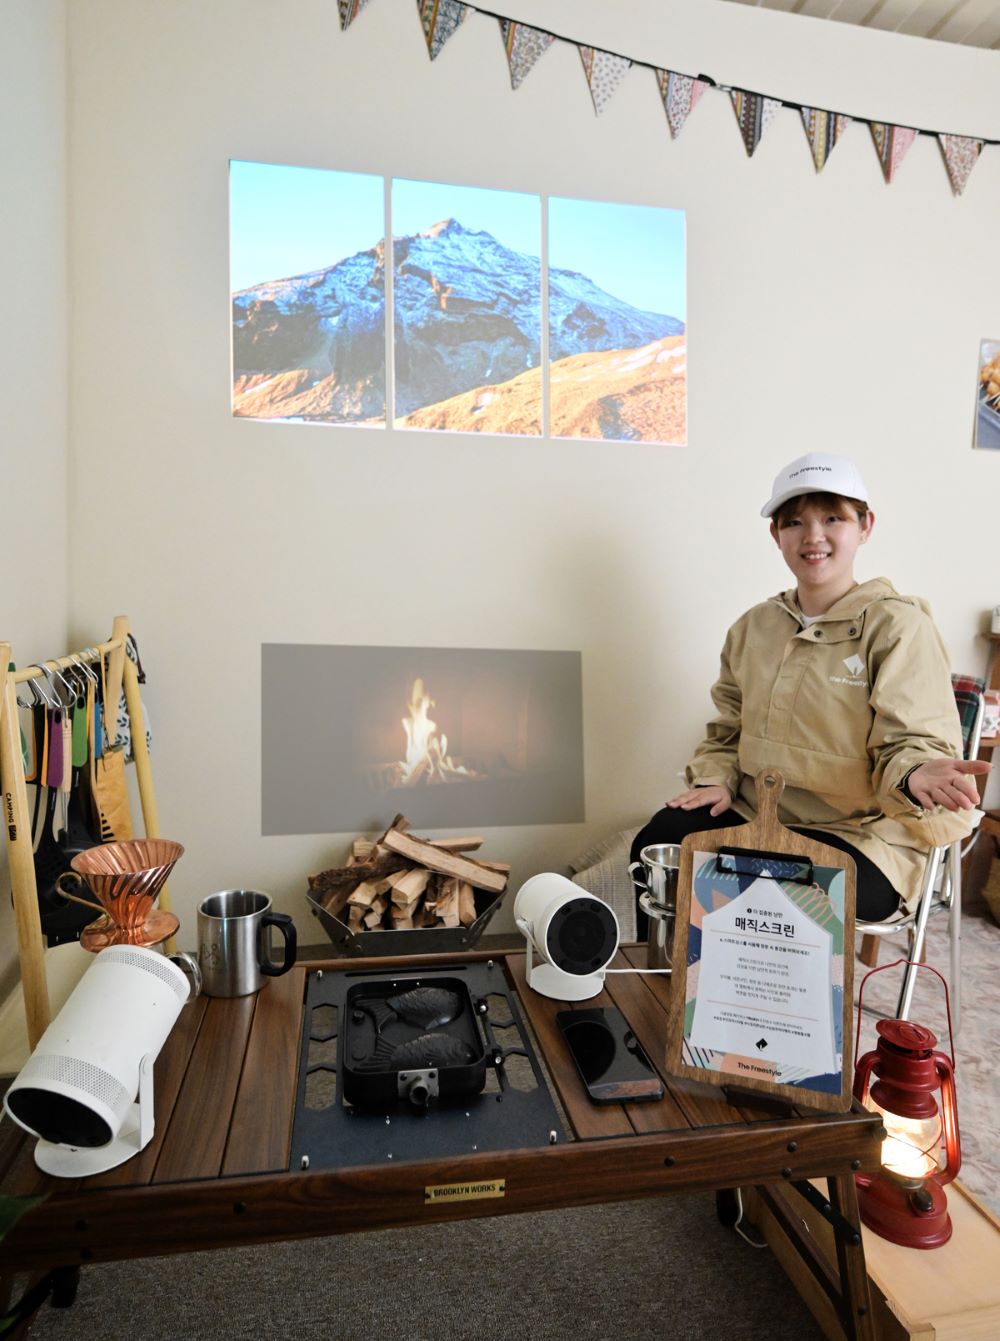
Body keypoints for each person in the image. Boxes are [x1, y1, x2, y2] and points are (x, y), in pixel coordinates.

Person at [631, 452, 990, 934]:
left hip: (863, 837)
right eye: (794, 522)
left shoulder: (899, 627)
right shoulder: (753, 627)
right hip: (757, 813)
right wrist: (716, 779)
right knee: (659, 843)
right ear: (776, 535)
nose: (813, 536)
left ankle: (753, 983)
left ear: (865, 526)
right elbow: (728, 730)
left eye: (833, 519)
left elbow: (913, 740)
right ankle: (673, 977)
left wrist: (915, 773)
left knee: (765, 877)